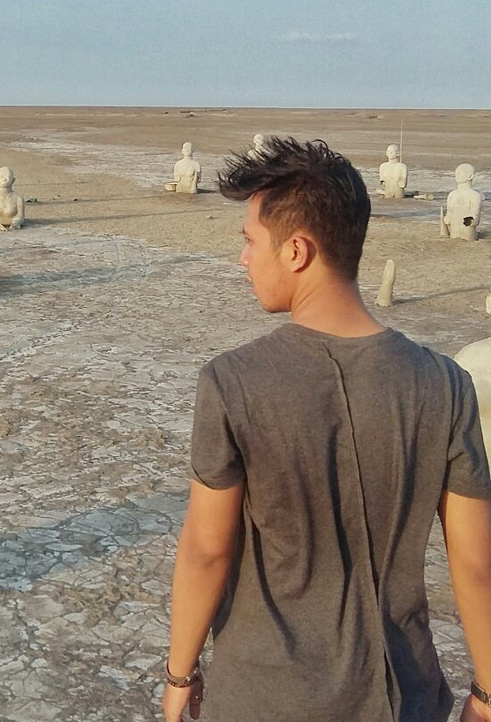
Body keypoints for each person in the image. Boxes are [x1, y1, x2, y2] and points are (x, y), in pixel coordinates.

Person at [162, 138, 491, 722]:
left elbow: (208, 551)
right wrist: (488, 692)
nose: (243, 260)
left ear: (296, 250)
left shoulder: (232, 382)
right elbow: (475, 563)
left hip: (265, 696)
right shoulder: (445, 383)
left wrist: (180, 674)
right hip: (402, 694)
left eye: (249, 241)